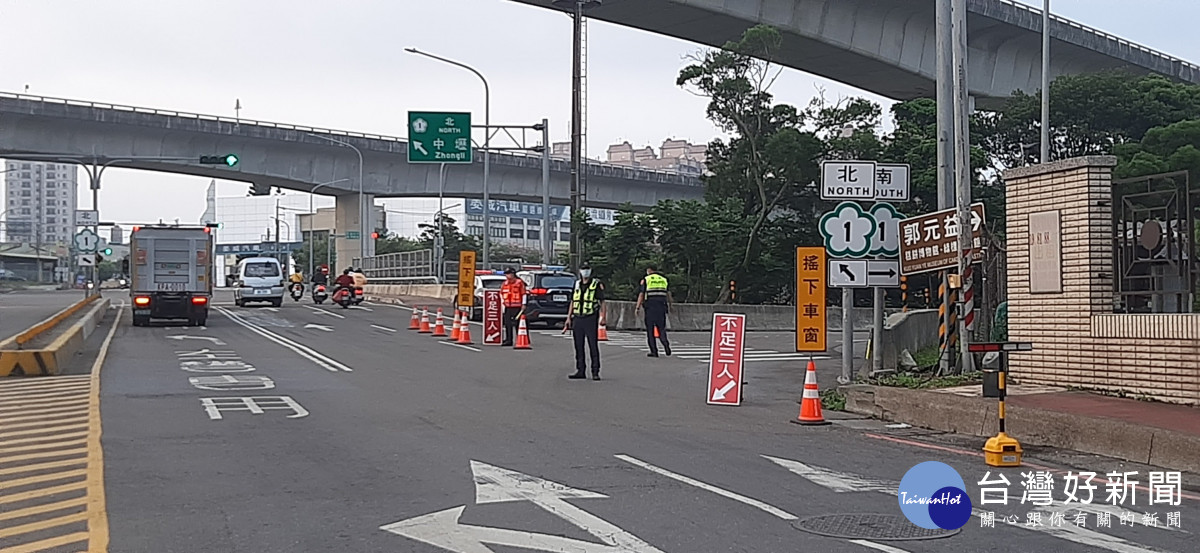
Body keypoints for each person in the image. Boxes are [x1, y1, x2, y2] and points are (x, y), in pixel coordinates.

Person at [565, 263, 604, 380]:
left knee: (593, 345)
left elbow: (602, 301)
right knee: (578, 345)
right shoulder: (576, 284)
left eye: (587, 269)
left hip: (590, 317)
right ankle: (580, 370)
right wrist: (568, 317)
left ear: (590, 271)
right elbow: (573, 301)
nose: (585, 272)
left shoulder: (595, 284)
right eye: (583, 269)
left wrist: (603, 317)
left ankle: (595, 371)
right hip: (577, 318)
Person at [635, 265, 672, 357]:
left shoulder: (647, 279)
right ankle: (665, 343)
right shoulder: (663, 279)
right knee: (661, 328)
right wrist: (671, 305)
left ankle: (654, 351)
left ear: (649, 270)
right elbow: (668, 294)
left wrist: (637, 307)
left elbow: (641, 294)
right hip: (661, 307)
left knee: (650, 330)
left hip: (650, 307)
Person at [500, 268, 527, 347]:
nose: (507, 275)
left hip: (518, 306)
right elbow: (501, 293)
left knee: (519, 324)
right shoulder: (505, 283)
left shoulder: (519, 283)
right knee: (508, 324)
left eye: (509, 274)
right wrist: (503, 303)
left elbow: (523, 293)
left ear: (513, 274)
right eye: (506, 274)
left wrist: (524, 304)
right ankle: (509, 340)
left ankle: (521, 339)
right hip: (508, 306)